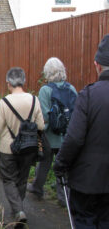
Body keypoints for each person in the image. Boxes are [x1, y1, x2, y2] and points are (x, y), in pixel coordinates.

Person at [54, 35, 109, 228]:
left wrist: (60, 164)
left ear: (97, 65)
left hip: (87, 181)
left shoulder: (89, 95)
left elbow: (75, 138)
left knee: (85, 221)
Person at [0, 67, 44, 225]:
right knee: (22, 179)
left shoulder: (4, 102)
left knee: (8, 179)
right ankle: (17, 209)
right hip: (29, 147)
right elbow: (41, 125)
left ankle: (18, 210)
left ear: (8, 83)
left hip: (7, 148)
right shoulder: (34, 100)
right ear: (23, 81)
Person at [27, 57, 77, 207]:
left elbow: (44, 116)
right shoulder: (71, 89)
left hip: (50, 136)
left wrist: (39, 133)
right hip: (68, 136)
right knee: (64, 166)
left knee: (44, 163)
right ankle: (64, 197)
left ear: (47, 73)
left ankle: (37, 188)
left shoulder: (45, 90)